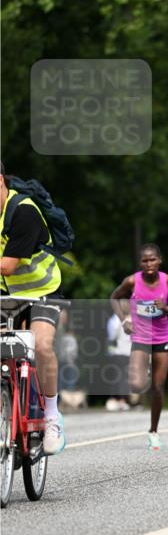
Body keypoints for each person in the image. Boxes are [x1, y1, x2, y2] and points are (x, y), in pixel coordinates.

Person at [0, 162, 66, 454]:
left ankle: (52, 415)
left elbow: (9, 266)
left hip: (42, 290)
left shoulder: (23, 211)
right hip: (6, 294)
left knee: (41, 345)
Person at [110, 244, 168, 449]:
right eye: (145, 260)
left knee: (158, 389)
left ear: (160, 260)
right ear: (140, 263)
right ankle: (146, 369)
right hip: (140, 337)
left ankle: (153, 431)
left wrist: (167, 308)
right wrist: (124, 319)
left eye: (152, 260)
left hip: (162, 338)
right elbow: (114, 298)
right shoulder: (132, 281)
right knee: (135, 385)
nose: (149, 264)